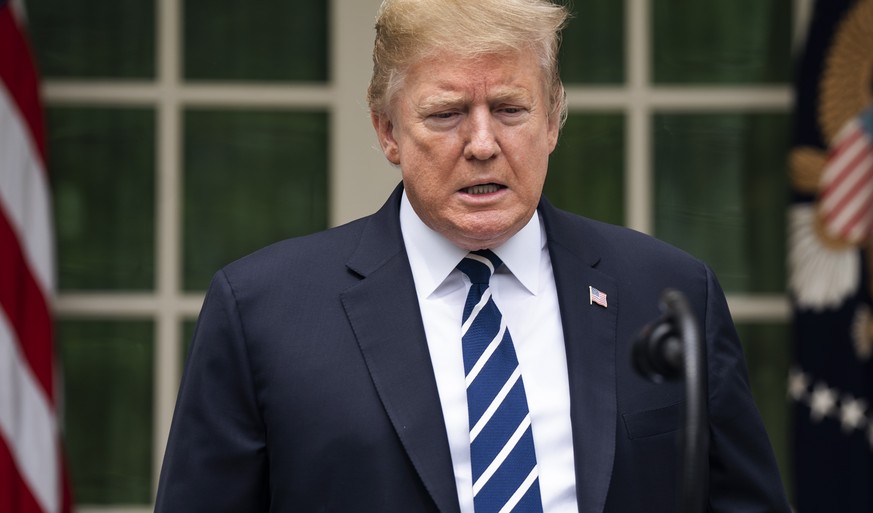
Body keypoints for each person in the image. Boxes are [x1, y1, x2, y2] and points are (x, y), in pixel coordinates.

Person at [155, 0, 791, 511]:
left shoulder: (670, 292)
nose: (483, 143)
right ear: (386, 131)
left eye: (511, 109)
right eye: (447, 113)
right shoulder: (263, 312)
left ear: (554, 120)